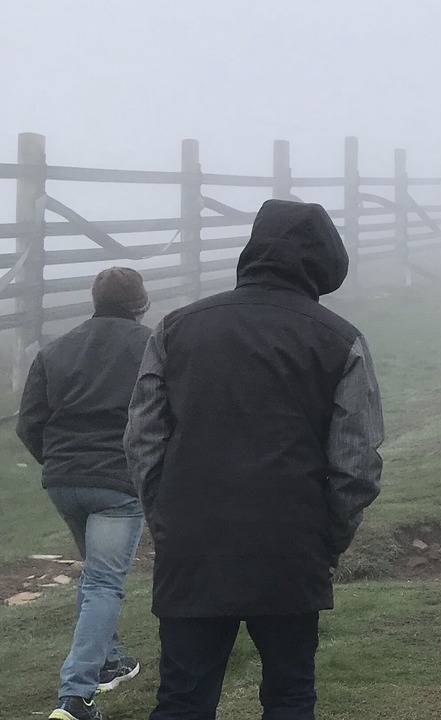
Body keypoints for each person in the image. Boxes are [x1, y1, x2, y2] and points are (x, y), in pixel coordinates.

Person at [124, 199, 384, 720]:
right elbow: (356, 463)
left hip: (192, 545)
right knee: (289, 696)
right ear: (323, 263)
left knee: (181, 699)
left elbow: (143, 442)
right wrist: (327, 538)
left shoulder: (174, 329)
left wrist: (169, 521)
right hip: (291, 544)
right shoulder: (340, 340)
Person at [17, 268, 152, 720]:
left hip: (63, 481)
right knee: (103, 582)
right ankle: (75, 697)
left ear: (94, 300)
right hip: (117, 482)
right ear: (141, 303)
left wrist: (57, 462)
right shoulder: (150, 345)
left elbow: (29, 421)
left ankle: (111, 661)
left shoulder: (55, 349)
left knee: (95, 577)